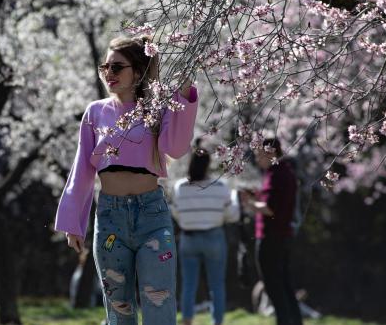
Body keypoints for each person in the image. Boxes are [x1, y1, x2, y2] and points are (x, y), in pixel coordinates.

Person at [55, 35, 198, 325]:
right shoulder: (95, 112)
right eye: (105, 67)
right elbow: (82, 168)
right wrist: (73, 222)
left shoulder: (157, 109)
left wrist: (184, 95)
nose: (109, 73)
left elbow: (177, 147)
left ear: (138, 70)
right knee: (119, 309)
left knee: (159, 303)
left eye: (117, 67)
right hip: (110, 219)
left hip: (153, 217)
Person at [172, 145, 240, 325]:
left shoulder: (180, 187)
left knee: (188, 284)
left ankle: (187, 321)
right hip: (214, 237)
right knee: (217, 284)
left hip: (189, 238)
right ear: (208, 164)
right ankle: (217, 322)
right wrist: (234, 198)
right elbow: (232, 215)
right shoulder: (220, 186)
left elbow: (177, 213)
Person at [241, 138, 303, 325]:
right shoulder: (285, 172)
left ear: (270, 153)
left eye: (260, 154)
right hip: (283, 235)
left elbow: (270, 209)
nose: (258, 159)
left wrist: (248, 202)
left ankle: (284, 321)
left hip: (271, 237)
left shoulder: (276, 174)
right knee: (284, 285)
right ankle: (295, 321)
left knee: (274, 286)